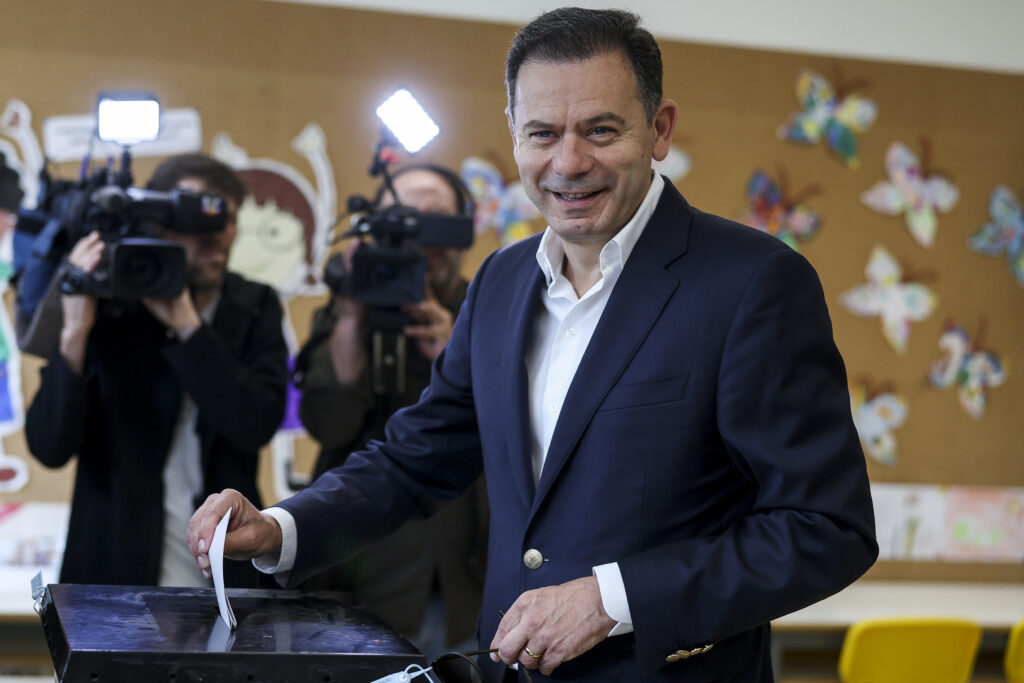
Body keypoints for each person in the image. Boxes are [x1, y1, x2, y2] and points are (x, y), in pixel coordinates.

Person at [188, 8, 877, 681]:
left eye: (600, 130)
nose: (568, 163)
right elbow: (416, 459)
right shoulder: (500, 280)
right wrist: (280, 527)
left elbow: (826, 527)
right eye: (542, 133)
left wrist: (613, 598)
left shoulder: (753, 281)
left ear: (659, 129)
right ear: (515, 134)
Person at [27, 153, 288, 588]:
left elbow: (255, 423)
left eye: (228, 218)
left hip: (226, 571)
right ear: (157, 223)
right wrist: (74, 331)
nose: (218, 232)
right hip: (112, 570)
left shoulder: (253, 304)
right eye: (198, 216)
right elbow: (50, 446)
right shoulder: (115, 304)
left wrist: (187, 326)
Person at [296, 164, 487, 655]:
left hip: (469, 560)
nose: (418, 237)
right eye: (402, 220)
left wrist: (456, 351)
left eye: (434, 219)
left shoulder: (490, 308)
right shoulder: (345, 313)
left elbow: (522, 428)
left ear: (461, 229)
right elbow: (327, 425)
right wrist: (350, 317)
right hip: (364, 564)